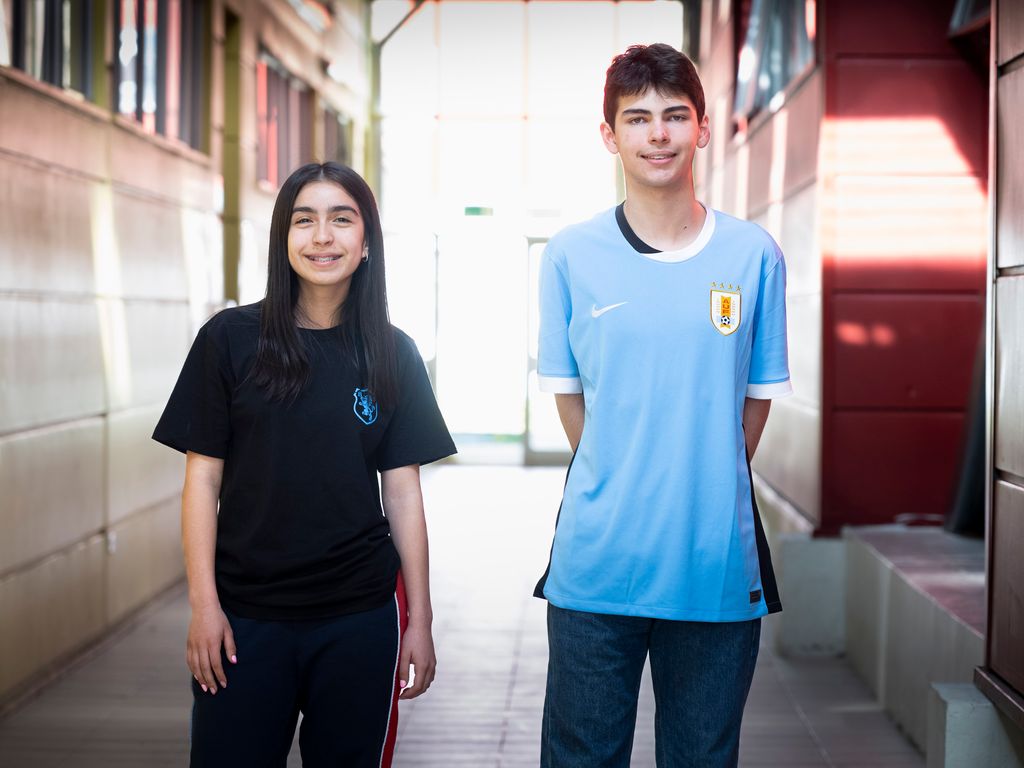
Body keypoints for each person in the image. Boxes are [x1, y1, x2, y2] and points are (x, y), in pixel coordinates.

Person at [535, 43, 791, 767]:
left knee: (702, 758)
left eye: (675, 116)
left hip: (712, 564)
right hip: (595, 568)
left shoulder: (754, 257)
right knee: (582, 757)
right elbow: (575, 406)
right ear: (610, 135)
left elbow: (753, 407)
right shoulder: (569, 256)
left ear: (703, 129)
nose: (658, 134)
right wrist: (631, 471)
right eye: (638, 118)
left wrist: (696, 475)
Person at [153, 162, 456, 768]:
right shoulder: (229, 341)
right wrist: (204, 608)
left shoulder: (392, 352)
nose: (323, 236)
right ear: (282, 238)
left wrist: (418, 621)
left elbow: (402, 495)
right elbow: (202, 480)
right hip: (243, 621)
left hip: (358, 617)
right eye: (304, 220)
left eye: (342, 220)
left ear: (366, 240)